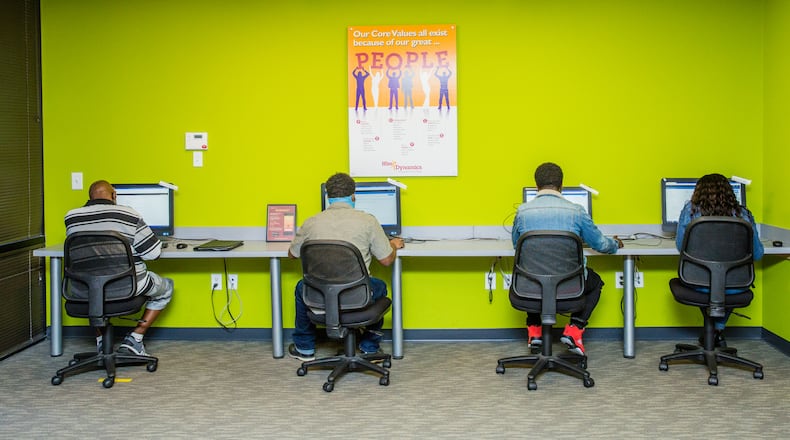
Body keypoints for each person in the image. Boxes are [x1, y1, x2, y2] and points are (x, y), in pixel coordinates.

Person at [287, 172, 404, 361]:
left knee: (302, 287)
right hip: (357, 295)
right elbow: (387, 260)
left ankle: (304, 347)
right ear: (353, 196)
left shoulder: (311, 222)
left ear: (328, 197)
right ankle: (369, 346)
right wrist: (393, 245)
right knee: (380, 286)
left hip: (320, 295)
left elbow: (292, 254)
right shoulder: (368, 221)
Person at [511, 162, 623, 355]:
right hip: (569, 287)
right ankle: (574, 330)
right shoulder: (576, 211)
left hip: (529, 287)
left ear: (536, 186)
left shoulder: (522, 212)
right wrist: (615, 244)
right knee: (595, 283)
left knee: (534, 270)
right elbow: (601, 245)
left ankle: (535, 329)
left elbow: (517, 245)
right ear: (561, 186)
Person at [64, 180, 173, 356]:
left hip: (83, 290)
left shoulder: (71, 217)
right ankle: (135, 340)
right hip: (126, 287)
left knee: (94, 287)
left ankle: (101, 343)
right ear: (114, 195)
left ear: (90, 197)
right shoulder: (129, 214)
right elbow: (153, 254)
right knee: (166, 287)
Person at [675, 173, 764, 347]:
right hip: (736, 285)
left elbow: (680, 246)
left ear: (697, 193)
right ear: (730, 193)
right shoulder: (743, 215)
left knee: (707, 286)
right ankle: (718, 329)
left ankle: (714, 331)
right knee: (723, 286)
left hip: (696, 282)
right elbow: (758, 254)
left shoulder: (690, 211)